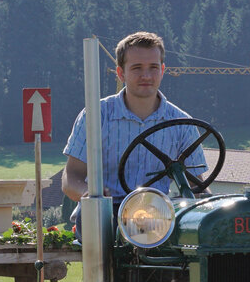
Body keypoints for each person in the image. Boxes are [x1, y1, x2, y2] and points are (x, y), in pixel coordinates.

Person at [61, 32, 204, 226]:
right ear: (121, 73)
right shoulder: (96, 116)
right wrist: (89, 193)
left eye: (153, 67)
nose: (146, 75)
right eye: (137, 68)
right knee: (99, 230)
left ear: (162, 70)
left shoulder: (182, 123)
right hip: (106, 213)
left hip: (159, 215)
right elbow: (71, 177)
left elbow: (197, 185)